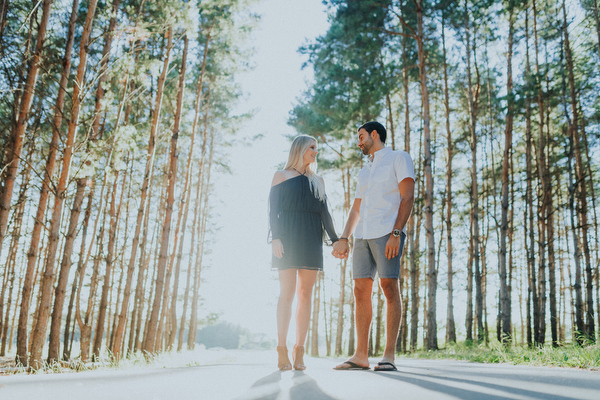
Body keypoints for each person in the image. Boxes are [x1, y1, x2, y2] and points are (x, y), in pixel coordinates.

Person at [332, 121, 415, 371]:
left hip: (387, 232)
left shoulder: (399, 158)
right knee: (359, 291)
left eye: (361, 136)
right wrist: (344, 237)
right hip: (363, 236)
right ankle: (360, 356)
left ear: (374, 135)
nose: (358, 142)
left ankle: (388, 356)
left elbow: (407, 196)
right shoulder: (364, 171)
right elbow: (356, 208)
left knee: (389, 286)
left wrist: (396, 233)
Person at [269, 135, 339, 371]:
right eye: (312, 148)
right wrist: (276, 237)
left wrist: (336, 239)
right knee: (286, 294)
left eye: (316, 148)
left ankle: (299, 350)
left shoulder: (318, 180)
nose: (315, 152)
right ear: (300, 149)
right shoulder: (281, 175)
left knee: (305, 295)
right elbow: (273, 210)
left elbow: (325, 213)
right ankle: (281, 349)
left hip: (311, 239)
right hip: (286, 239)